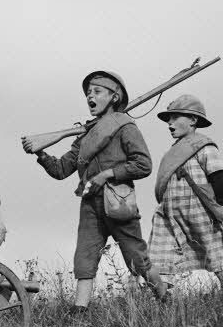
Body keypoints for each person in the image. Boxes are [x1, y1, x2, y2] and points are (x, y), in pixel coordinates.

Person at [23, 70, 169, 312]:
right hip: (90, 203)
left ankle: (165, 300)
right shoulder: (85, 135)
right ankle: (78, 313)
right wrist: (39, 152)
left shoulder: (125, 127)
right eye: (88, 93)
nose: (90, 96)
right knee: (84, 259)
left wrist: (107, 174)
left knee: (137, 258)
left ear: (114, 97)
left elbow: (144, 164)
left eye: (97, 91)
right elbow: (61, 170)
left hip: (118, 200)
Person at [147, 95, 223, 287]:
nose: (170, 123)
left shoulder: (204, 146)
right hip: (169, 214)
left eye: (175, 117)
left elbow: (221, 182)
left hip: (198, 212)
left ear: (193, 120)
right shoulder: (173, 152)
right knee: (159, 258)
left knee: (217, 253)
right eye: (169, 119)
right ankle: (161, 299)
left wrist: (209, 208)